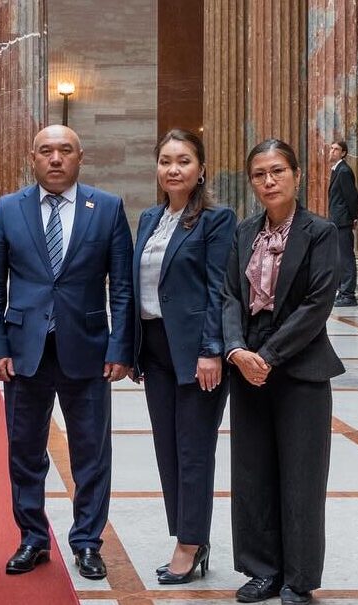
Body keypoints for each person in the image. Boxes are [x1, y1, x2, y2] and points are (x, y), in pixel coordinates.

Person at [0, 124, 133, 581]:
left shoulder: (106, 209)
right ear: (32, 157)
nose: (55, 159)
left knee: (91, 451)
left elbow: (122, 289)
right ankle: (32, 537)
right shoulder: (9, 209)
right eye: (46, 150)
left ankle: (87, 541)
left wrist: (120, 345)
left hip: (87, 350)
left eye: (64, 150)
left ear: (80, 157)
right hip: (25, 351)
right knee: (24, 450)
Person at [223, 139, 344, 605]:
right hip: (247, 365)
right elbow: (230, 295)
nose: (268, 181)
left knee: (301, 478)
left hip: (300, 369)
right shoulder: (244, 231)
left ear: (296, 175)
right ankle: (261, 570)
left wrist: (267, 357)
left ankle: (298, 578)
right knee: (252, 473)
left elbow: (317, 305)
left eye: (277, 171)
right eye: (259, 174)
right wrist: (236, 349)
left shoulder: (320, 232)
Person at [133, 129, 235, 584]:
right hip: (154, 349)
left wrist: (212, 349)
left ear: (201, 169)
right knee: (167, 449)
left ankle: (189, 545)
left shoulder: (217, 219)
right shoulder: (150, 218)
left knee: (194, 450)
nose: (173, 169)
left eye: (183, 161)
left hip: (196, 353)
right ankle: (189, 532)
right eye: (166, 161)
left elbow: (220, 289)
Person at [327, 140, 358, 307]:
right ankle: (342, 292)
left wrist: (353, 218)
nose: (332, 151)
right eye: (331, 148)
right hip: (336, 221)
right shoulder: (337, 170)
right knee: (339, 257)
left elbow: (351, 196)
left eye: (336, 149)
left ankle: (348, 295)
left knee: (346, 258)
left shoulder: (344, 171)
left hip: (343, 221)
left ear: (343, 153)